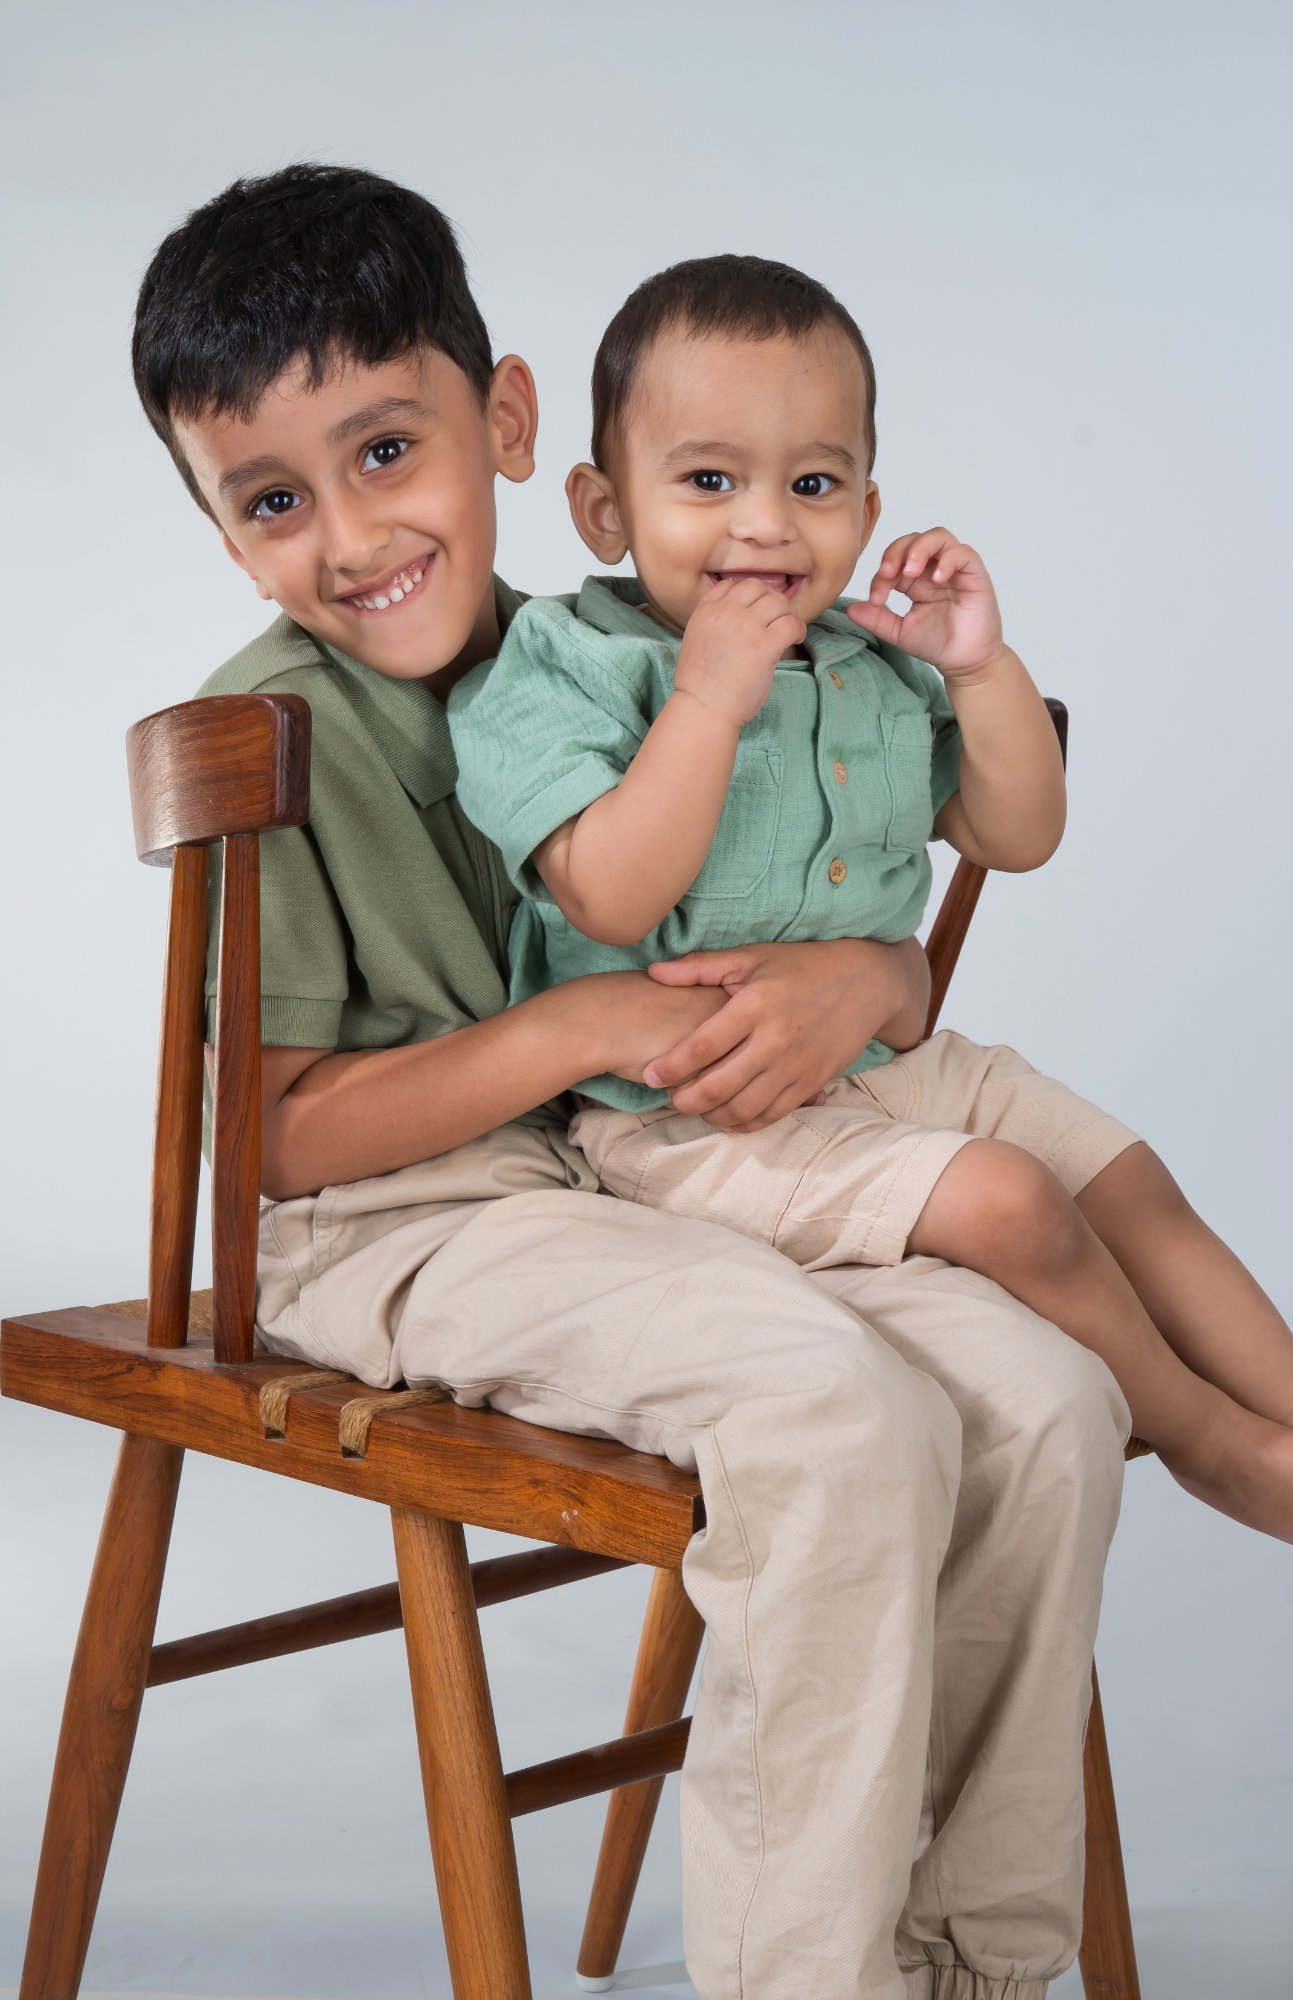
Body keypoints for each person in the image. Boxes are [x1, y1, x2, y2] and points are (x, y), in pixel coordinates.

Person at [133, 163, 1138, 2000]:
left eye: (386, 451)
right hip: (390, 1223)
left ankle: (978, 1960)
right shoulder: (277, 725)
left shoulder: (634, 650)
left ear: (507, 423)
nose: (355, 536)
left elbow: (861, 893)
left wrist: (878, 968)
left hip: (654, 1176)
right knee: (837, 1414)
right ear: (225, 530)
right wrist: (573, 1033)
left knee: (1046, 1401)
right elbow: (268, 1142)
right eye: (276, 499)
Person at [448, 254, 1293, 1559]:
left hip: (893, 1064)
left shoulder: (870, 660)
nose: (768, 526)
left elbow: (1020, 833)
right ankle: (1209, 1439)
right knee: (1011, 1201)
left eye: (814, 484)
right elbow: (609, 887)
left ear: (868, 503)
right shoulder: (570, 662)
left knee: (1128, 1180)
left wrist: (981, 664)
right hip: (688, 1124)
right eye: (709, 480)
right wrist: (711, 696)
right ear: (605, 509)